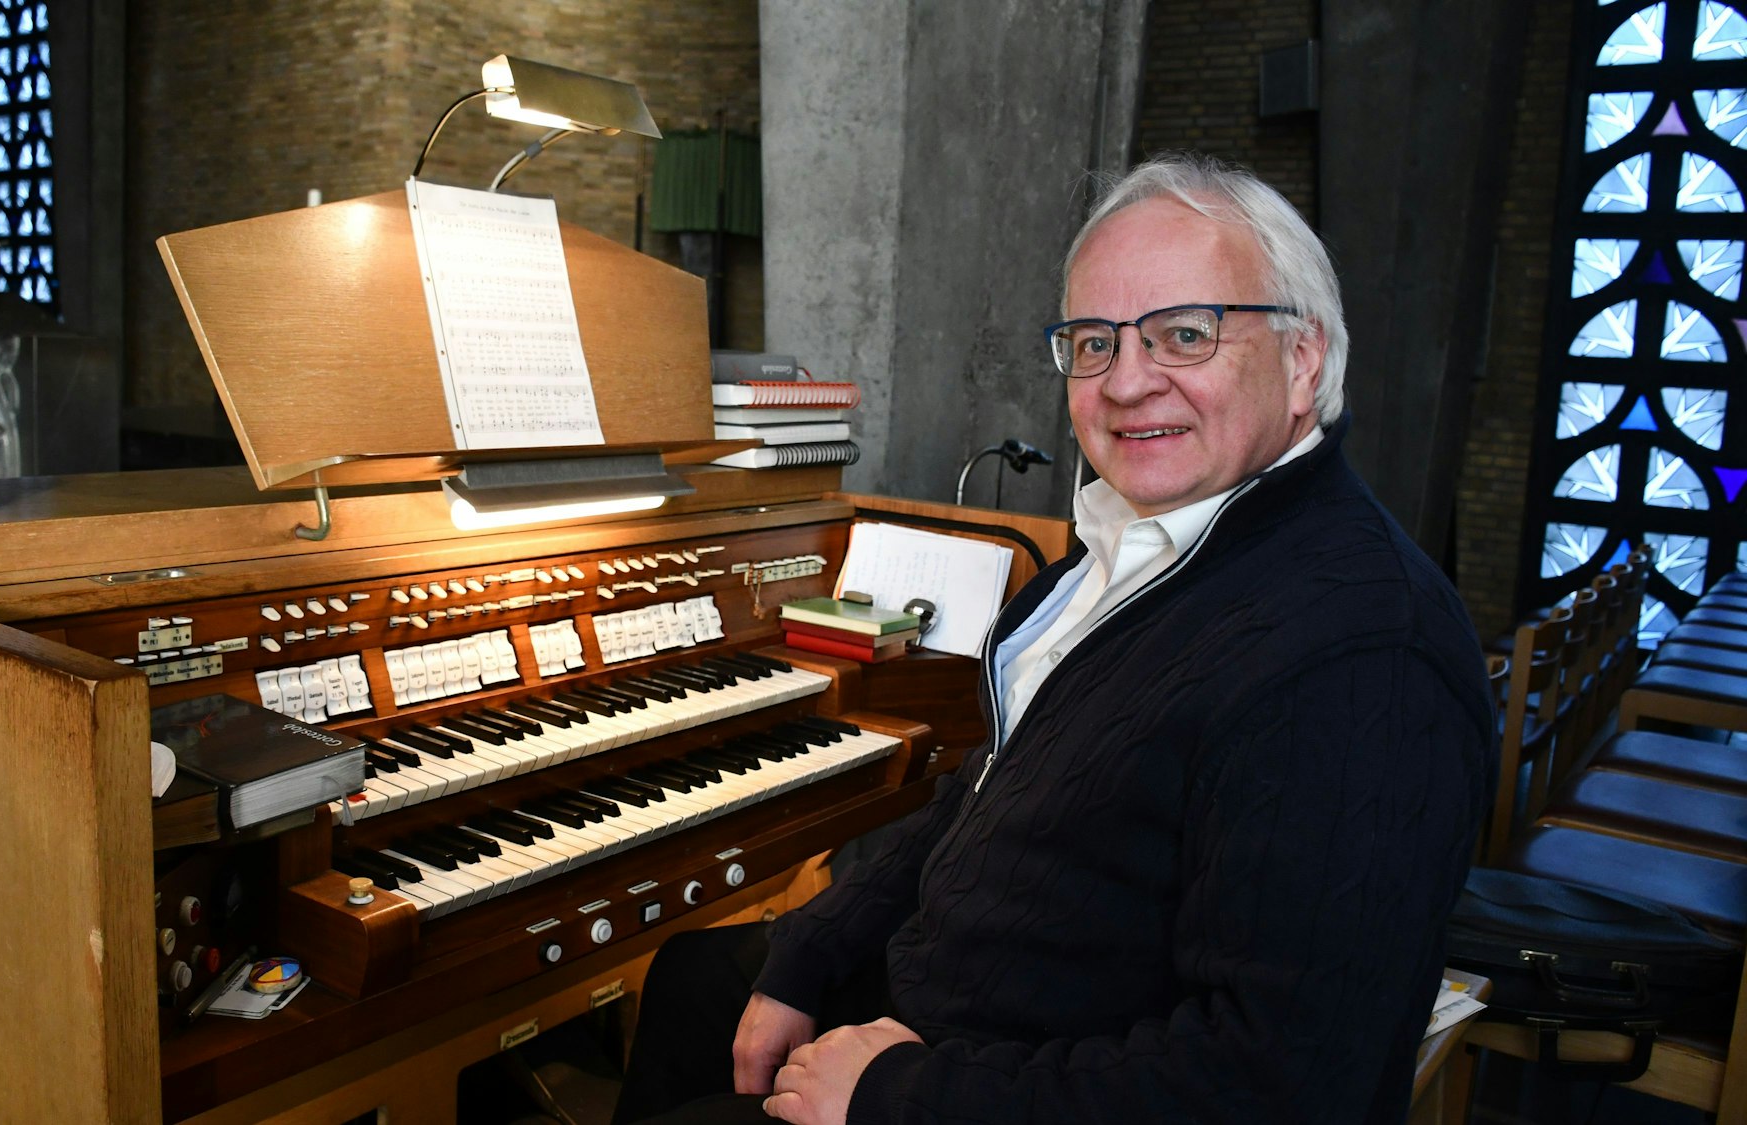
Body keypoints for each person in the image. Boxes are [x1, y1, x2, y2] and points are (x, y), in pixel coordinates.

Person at [611, 152, 1496, 1125]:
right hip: (968, 994)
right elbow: (991, 796)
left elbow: (1283, 1083)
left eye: (1184, 334)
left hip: (1016, 1073)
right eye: (1093, 342)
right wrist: (815, 946)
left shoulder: (1364, 656)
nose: (1126, 383)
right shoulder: (1138, 548)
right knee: (696, 982)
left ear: (1302, 360)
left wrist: (897, 1093)